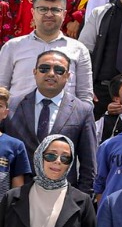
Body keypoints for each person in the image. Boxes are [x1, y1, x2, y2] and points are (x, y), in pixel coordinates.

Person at [2, 51, 98, 193]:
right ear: (34, 72)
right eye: (44, 68)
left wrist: (80, 201)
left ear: (68, 76)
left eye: (59, 70)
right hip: (16, 196)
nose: (51, 74)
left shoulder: (82, 110)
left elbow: (89, 163)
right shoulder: (12, 105)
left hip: (62, 197)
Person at [0, 0, 94, 102]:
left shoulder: (79, 49)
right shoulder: (12, 47)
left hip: (64, 118)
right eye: (43, 9)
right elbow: (2, 89)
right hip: (18, 117)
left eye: (55, 10)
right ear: (33, 12)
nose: (49, 14)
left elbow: (85, 96)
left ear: (64, 14)